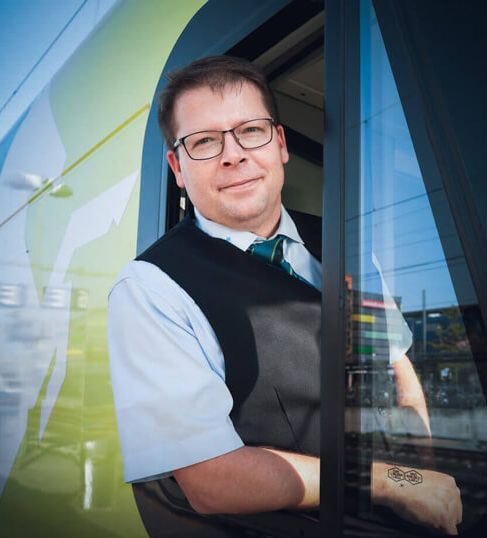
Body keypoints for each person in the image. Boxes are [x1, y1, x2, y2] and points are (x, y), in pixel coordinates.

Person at [108, 55, 462, 535]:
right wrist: (398, 481)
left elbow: (398, 370)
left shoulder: (350, 243)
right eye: (205, 141)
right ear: (177, 167)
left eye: (250, 130)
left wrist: (428, 476)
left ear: (279, 143)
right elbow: (212, 479)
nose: (232, 154)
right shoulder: (151, 286)